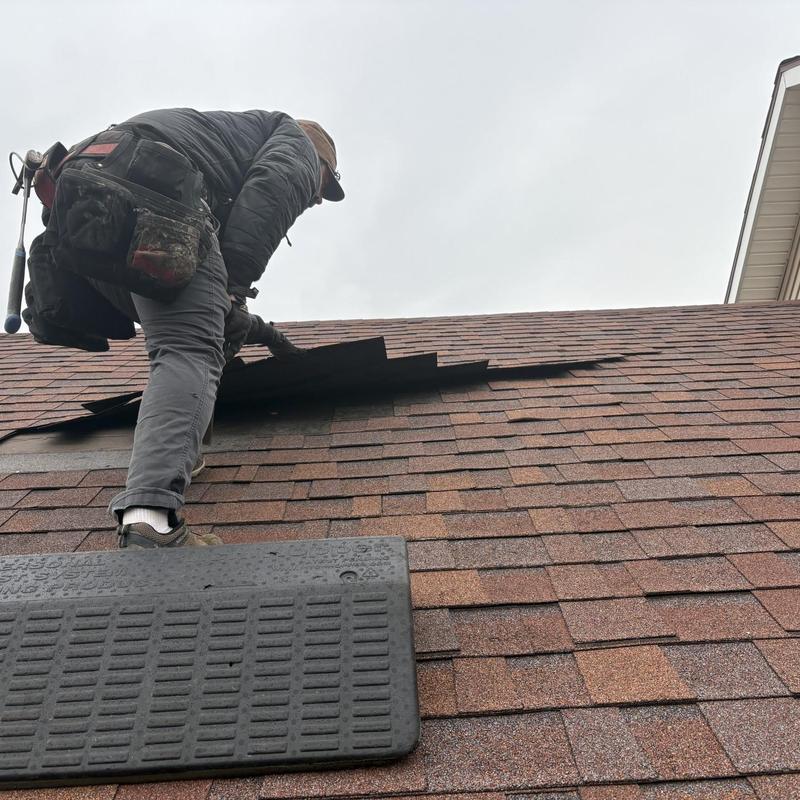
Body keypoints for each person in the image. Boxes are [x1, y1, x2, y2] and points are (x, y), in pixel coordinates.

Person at [23, 108, 344, 549]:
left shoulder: (229, 138)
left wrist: (247, 323)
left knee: (197, 328)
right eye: (327, 184)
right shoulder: (299, 144)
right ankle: (150, 519)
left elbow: (206, 307)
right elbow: (269, 194)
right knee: (190, 347)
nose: (320, 198)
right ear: (322, 162)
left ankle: (182, 454)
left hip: (85, 201)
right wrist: (233, 287)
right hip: (146, 197)